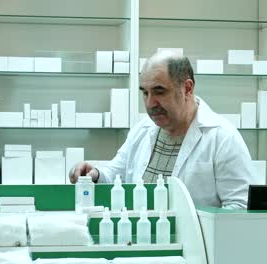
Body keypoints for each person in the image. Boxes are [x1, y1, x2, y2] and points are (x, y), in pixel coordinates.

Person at [69, 51, 254, 209]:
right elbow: (117, 173)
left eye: (159, 91)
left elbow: (240, 207)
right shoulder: (142, 130)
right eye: (145, 92)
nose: (150, 103)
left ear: (187, 88)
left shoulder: (222, 138)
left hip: (197, 248)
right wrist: (95, 174)